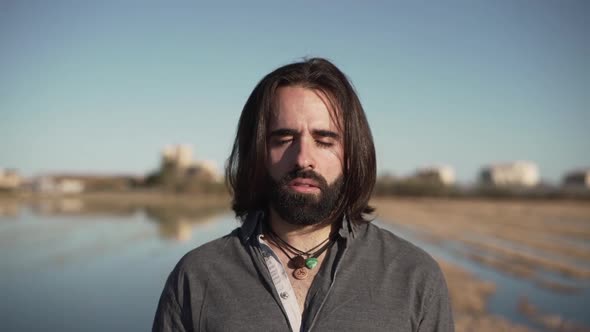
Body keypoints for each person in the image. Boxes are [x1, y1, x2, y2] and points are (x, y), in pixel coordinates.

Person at [152, 58, 454, 331]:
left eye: (324, 141)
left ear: (352, 155)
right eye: (284, 138)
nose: (302, 159)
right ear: (256, 152)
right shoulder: (196, 277)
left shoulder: (414, 277)